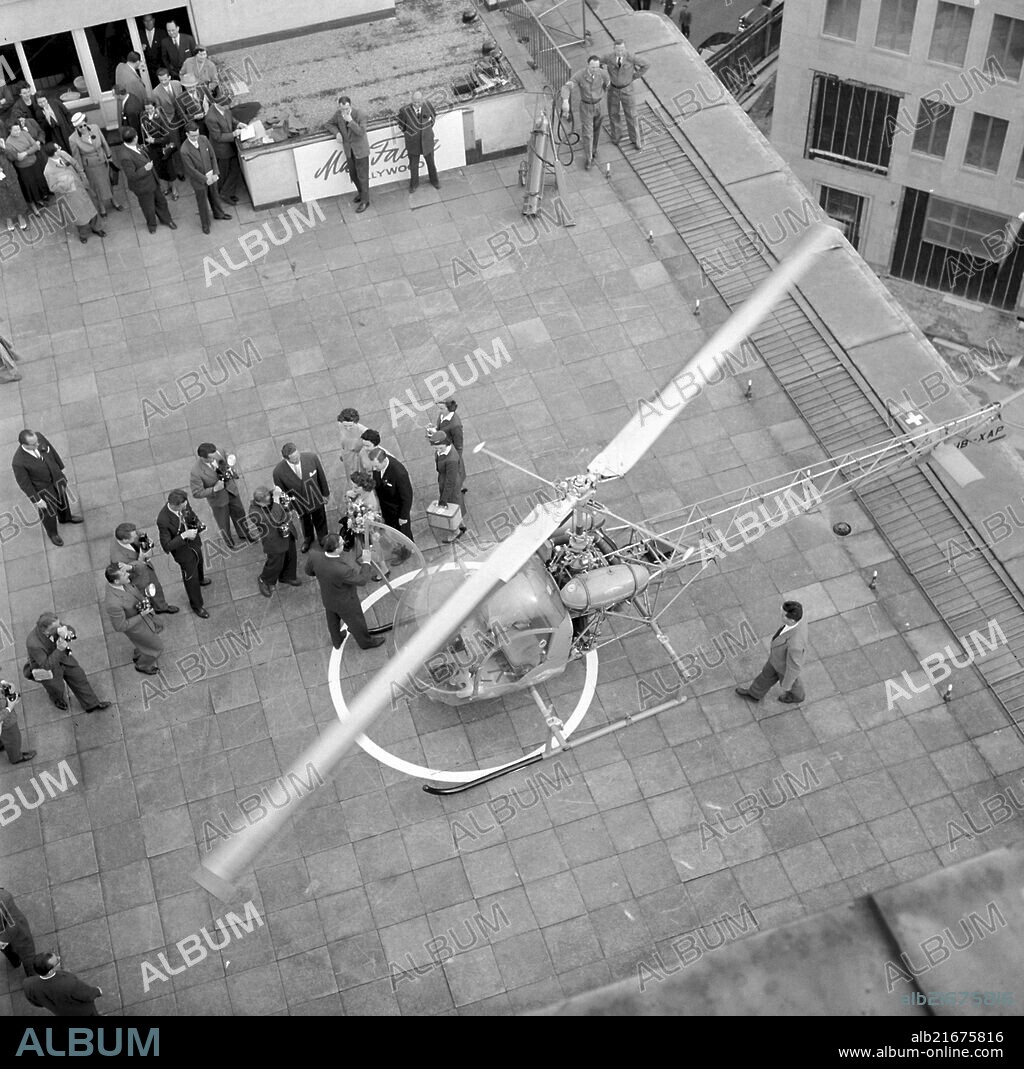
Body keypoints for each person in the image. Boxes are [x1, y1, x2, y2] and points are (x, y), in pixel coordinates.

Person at [305, 529, 384, 650]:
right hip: (346, 602)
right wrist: (366, 562)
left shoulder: (314, 555)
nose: (344, 543)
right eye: (342, 543)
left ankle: (337, 640)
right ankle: (366, 643)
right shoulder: (341, 569)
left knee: (332, 622)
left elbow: (309, 571)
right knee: (356, 622)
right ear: (337, 549)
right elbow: (361, 580)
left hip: (328, 598)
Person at [25, 613, 111, 713]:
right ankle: (57, 699)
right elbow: (46, 665)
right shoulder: (33, 643)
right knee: (56, 688)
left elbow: (68, 628)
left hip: (64, 660)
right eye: (56, 627)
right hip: (50, 669)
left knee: (79, 678)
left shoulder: (54, 624)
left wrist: (69, 633)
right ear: (45, 630)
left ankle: (91, 704)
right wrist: (60, 649)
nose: (60, 627)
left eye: (59, 624)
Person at [11, 428, 82, 548]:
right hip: (43, 490)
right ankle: (52, 533)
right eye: (34, 444)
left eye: (37, 442)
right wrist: (37, 500)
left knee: (63, 499)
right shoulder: (18, 462)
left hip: (56, 478)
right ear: (24, 445)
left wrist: (61, 467)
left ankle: (65, 518)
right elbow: (25, 484)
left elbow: (52, 451)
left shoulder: (38, 437)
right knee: (48, 513)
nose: (38, 444)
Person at [736, 600, 808, 705]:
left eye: (783, 615)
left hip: (784, 667)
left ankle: (797, 696)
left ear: (791, 620)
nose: (780, 615)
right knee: (765, 675)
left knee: (792, 682)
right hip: (777, 660)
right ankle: (754, 694)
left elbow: (794, 667)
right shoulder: (799, 620)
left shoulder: (795, 645)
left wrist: (786, 686)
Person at [103, 562, 163, 675]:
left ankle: (140, 652)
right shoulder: (113, 603)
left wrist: (130, 567)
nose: (128, 575)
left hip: (145, 618)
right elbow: (120, 626)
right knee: (157, 648)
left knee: (146, 644)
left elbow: (142, 570)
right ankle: (142, 665)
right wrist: (142, 615)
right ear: (116, 581)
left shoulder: (121, 582)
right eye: (125, 575)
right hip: (138, 629)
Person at [157, 489, 210, 618]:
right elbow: (167, 546)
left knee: (200, 563)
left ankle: (201, 579)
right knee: (191, 579)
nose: (186, 507)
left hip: (195, 543)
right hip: (183, 553)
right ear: (175, 505)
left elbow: (191, 515)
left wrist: (198, 524)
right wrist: (184, 535)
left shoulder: (184, 504)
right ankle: (197, 605)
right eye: (183, 506)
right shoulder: (163, 520)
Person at [189, 443, 254, 546]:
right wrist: (214, 489)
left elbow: (228, 460)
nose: (215, 458)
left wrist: (231, 469)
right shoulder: (196, 472)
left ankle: (244, 533)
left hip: (231, 491)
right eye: (211, 458)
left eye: (215, 455)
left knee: (240, 513)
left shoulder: (219, 451)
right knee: (223, 523)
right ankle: (229, 542)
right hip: (218, 500)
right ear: (202, 458)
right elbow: (196, 493)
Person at [273, 443, 330, 553]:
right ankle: (308, 539)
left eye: (298, 456)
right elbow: (282, 493)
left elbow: (321, 477)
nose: (297, 460)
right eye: (294, 460)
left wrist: (325, 494)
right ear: (286, 459)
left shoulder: (312, 458)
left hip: (316, 498)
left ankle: (323, 537)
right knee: (305, 521)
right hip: (299, 503)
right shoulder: (278, 472)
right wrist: (289, 507)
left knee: (320, 518)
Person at [43, 143, 106, 244]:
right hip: (71, 196)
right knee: (80, 218)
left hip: (81, 187)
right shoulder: (48, 170)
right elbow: (52, 187)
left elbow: (75, 163)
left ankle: (97, 228)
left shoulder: (63, 154)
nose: (61, 148)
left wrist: (82, 175)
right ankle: (83, 234)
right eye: (58, 148)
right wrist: (66, 183)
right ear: (54, 153)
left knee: (92, 209)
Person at [118, 126, 176, 234]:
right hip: (142, 186)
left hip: (153, 180)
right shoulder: (125, 156)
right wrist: (145, 169)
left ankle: (167, 220)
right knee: (148, 207)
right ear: (135, 138)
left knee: (161, 202)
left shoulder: (136, 146)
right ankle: (152, 225)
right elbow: (131, 176)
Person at [110, 522, 179, 613]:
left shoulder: (126, 533)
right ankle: (150, 611)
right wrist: (141, 559)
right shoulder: (118, 558)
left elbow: (139, 534)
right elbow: (127, 574)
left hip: (147, 569)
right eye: (133, 537)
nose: (136, 536)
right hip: (137, 578)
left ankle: (161, 607)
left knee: (157, 588)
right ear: (125, 540)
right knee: (146, 594)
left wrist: (147, 540)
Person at [250, 485, 301, 598]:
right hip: (274, 541)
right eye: (267, 502)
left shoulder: (269, 499)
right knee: (275, 563)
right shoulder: (255, 514)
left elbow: (277, 499)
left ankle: (287, 576)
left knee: (291, 556)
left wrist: (278, 493)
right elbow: (275, 519)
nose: (270, 502)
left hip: (286, 531)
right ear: (259, 502)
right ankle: (264, 579)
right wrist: (277, 501)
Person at [179, 122, 231, 232]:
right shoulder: (184, 150)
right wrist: (205, 179)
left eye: (197, 134)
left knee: (214, 196)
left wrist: (216, 172)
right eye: (193, 136)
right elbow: (191, 170)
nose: (196, 137)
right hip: (199, 181)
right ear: (187, 134)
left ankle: (219, 214)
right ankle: (205, 223)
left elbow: (212, 156)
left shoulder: (204, 139)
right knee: (202, 202)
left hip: (211, 175)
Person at [69, 113, 123, 218]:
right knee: (97, 187)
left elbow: (103, 142)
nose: (83, 128)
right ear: (76, 128)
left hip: (103, 161)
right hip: (91, 166)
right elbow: (76, 156)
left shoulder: (95, 127)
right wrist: (81, 171)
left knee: (109, 182)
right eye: (80, 127)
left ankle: (113, 200)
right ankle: (102, 206)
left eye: (84, 125)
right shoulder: (73, 139)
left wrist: (109, 155)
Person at [561, 57, 611, 169]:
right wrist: (565, 101)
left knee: (597, 129)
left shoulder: (603, 74)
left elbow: (608, 85)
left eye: (597, 67)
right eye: (593, 67)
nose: (595, 70)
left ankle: (594, 150)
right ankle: (589, 159)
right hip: (586, 107)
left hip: (600, 105)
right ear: (587, 65)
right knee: (588, 134)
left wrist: (602, 96)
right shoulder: (580, 75)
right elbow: (566, 87)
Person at [601, 40, 648, 151]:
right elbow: (597, 62)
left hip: (627, 89)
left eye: (622, 49)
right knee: (613, 114)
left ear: (625, 49)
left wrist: (635, 76)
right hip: (613, 90)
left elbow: (646, 65)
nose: (620, 52)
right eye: (618, 50)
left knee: (632, 115)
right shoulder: (608, 57)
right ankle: (616, 136)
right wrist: (604, 76)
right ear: (614, 49)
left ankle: (636, 140)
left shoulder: (631, 57)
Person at [326, 95, 370, 213]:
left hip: (360, 151)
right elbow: (329, 124)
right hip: (349, 151)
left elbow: (361, 132)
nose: (344, 111)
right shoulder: (338, 115)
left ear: (350, 105)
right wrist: (337, 133)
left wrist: (350, 121)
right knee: (354, 175)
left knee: (363, 177)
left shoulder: (360, 114)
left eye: (346, 109)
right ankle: (361, 194)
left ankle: (365, 201)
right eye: (342, 109)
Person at [24, 952, 102, 1017]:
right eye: (57, 961)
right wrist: (98, 991)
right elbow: (87, 994)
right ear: (50, 971)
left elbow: (36, 1002)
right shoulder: (69, 983)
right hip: (82, 1012)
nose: (59, 957)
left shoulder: (28, 984)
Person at [366, 445, 414, 546]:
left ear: (383, 461)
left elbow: (407, 497)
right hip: (386, 507)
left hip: (397, 511)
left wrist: (403, 517)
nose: (374, 469)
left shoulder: (399, 473)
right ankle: (398, 546)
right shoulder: (378, 466)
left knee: (403, 534)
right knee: (392, 531)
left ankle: (406, 551)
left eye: (376, 466)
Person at [3, 115, 50, 210]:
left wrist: (25, 152)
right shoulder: (8, 143)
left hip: (34, 162)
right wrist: (30, 150)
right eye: (15, 130)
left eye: (18, 129)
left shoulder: (24, 133)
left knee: (39, 180)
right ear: (9, 131)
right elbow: (18, 158)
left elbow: (36, 146)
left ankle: (44, 196)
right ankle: (37, 200)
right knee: (31, 185)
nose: (18, 132)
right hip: (24, 168)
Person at [204, 97, 244, 203]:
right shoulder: (211, 118)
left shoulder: (224, 109)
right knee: (225, 172)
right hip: (221, 149)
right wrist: (234, 134)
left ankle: (227, 192)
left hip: (229, 146)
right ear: (218, 105)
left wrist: (238, 124)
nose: (228, 108)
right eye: (226, 106)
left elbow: (230, 118)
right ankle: (224, 193)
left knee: (234, 168)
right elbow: (217, 137)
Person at [397, 90, 438, 192]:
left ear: (422, 99)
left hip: (427, 142)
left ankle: (435, 181)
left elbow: (433, 118)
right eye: (415, 102)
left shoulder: (428, 105)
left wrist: (426, 130)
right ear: (411, 100)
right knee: (413, 165)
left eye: (419, 102)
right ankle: (414, 184)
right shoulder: (404, 111)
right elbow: (401, 125)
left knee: (431, 163)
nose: (417, 104)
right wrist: (410, 134)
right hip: (413, 143)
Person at [430, 429, 467, 543]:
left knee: (451, 508)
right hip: (446, 481)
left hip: (449, 486)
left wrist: (443, 499)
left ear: (445, 443)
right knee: (456, 505)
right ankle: (460, 523)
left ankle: (456, 531)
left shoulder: (451, 459)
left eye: (438, 447)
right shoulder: (444, 450)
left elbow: (450, 481)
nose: (437, 450)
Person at [141, 101, 180, 202]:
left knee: (169, 169)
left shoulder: (161, 117)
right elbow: (143, 132)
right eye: (146, 109)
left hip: (163, 147)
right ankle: (166, 188)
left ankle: (174, 190)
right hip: (152, 149)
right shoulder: (143, 116)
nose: (149, 111)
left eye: (150, 108)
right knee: (159, 169)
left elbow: (167, 136)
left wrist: (154, 140)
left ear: (155, 107)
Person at [430, 399, 467, 486]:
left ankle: (458, 486)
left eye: (441, 408)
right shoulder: (443, 414)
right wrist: (435, 430)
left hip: (449, 451)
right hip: (443, 447)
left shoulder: (455, 425)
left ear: (448, 409)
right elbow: (441, 428)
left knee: (453, 475)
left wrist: (455, 459)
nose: (439, 411)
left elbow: (459, 445)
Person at [0, 887, 36, 976]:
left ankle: (15, 961)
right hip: (17, 934)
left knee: (8, 950)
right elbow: (14, 923)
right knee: (28, 955)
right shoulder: (4, 898)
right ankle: (32, 975)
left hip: (4, 933)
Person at [0, 683, 36, 765]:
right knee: (14, 740)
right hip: (6, 722)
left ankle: (1, 744)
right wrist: (9, 707)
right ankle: (16, 758)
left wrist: (3, 684)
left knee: (4, 737)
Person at [0, 146, 31, 231]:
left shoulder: (3, 151)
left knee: (17, 198)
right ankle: (9, 220)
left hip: (11, 179)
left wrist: (4, 148)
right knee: (4, 202)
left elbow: (14, 157)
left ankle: (20, 217)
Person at [337, 407, 369, 483]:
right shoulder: (340, 424)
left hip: (357, 456)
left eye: (351, 426)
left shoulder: (362, 431)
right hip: (347, 454)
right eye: (345, 426)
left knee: (358, 476)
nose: (348, 428)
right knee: (350, 474)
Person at [139, 15, 164, 86]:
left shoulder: (161, 33)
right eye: (146, 21)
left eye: (150, 20)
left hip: (161, 68)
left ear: (153, 20)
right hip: (147, 71)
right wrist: (140, 49)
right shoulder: (139, 35)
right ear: (143, 22)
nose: (148, 23)